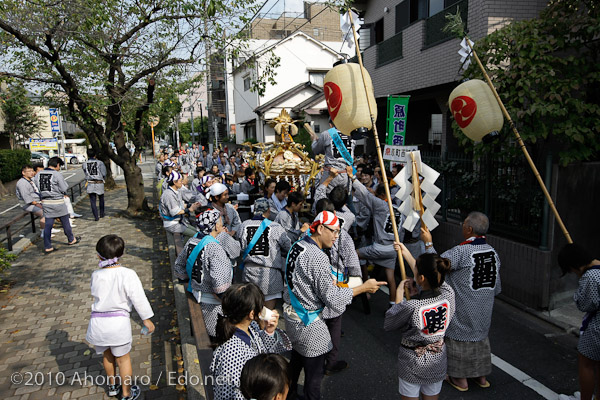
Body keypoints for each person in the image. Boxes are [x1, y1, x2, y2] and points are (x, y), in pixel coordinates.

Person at [284, 211, 386, 400]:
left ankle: (288, 395)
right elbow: (332, 298)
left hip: (292, 317)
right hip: (309, 323)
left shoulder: (298, 246)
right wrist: (363, 288)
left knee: (296, 362)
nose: (337, 236)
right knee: (314, 377)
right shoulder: (318, 256)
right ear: (321, 228)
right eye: (334, 231)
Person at [422, 212, 500, 391]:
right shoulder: (493, 253)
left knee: (458, 338)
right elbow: (497, 287)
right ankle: (481, 377)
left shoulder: (461, 251)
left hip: (463, 308)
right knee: (479, 338)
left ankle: (459, 378)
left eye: (463, 224)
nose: (462, 226)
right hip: (484, 309)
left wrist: (428, 243)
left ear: (469, 229)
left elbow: (436, 268)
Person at [85, 235, 154, 400]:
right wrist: (146, 318)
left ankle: (112, 387)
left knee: (107, 356)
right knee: (123, 360)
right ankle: (126, 393)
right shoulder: (128, 274)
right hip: (118, 324)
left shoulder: (96, 274)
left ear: (98, 255)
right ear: (122, 254)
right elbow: (138, 297)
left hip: (98, 323)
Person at [386, 241, 455, 400]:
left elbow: (391, 322)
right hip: (437, 360)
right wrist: (407, 254)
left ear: (421, 278)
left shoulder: (412, 306)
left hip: (411, 362)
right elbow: (432, 275)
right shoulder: (449, 295)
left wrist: (398, 295)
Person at [211, 283, 292, 400]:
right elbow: (228, 393)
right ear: (252, 314)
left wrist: (269, 331)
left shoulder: (250, 327)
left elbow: (266, 354)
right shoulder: (230, 353)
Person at [313, 199, 362, 376]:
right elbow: (353, 264)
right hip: (337, 285)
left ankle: (316, 362)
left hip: (314, 289)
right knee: (334, 324)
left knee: (317, 325)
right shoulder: (343, 235)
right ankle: (330, 363)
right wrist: (357, 285)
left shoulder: (308, 235)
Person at [174, 208, 239, 337]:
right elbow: (219, 284)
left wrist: (193, 281)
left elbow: (178, 267)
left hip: (196, 293)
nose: (222, 225)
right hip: (212, 300)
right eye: (220, 222)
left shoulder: (192, 241)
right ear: (216, 225)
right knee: (217, 335)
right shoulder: (214, 247)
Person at [348, 167, 404, 306]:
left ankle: (360, 288)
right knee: (391, 278)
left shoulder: (380, 205)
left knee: (354, 255)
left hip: (379, 246)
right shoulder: (399, 210)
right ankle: (393, 305)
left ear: (381, 196)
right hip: (393, 249)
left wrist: (353, 179)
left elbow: (366, 196)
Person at [557, 244, 600, 400]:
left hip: (597, 328)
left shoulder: (591, 277)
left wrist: (579, 291)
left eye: (570, 270)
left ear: (573, 265)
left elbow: (586, 304)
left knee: (587, 364)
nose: (572, 273)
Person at [237, 198, 291, 309]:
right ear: (268, 211)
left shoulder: (244, 226)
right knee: (268, 313)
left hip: (249, 272)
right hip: (270, 274)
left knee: (251, 310)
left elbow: (241, 248)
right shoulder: (275, 227)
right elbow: (287, 246)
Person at [34, 157, 80, 253]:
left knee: (48, 225)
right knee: (65, 222)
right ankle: (71, 239)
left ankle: (47, 246)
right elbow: (64, 187)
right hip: (58, 202)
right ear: (57, 165)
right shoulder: (56, 174)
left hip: (46, 203)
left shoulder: (38, 174)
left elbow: (37, 187)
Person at [158, 171, 201, 254]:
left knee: (196, 231)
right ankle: (183, 252)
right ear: (174, 182)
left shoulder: (176, 191)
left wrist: (190, 205)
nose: (182, 182)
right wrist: (190, 210)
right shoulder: (168, 195)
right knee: (194, 234)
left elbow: (181, 205)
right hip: (171, 224)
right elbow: (174, 212)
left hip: (178, 222)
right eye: (180, 181)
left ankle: (185, 249)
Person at [309, 119, 355, 195]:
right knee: (344, 199)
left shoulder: (326, 134)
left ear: (331, 125)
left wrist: (314, 140)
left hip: (331, 174)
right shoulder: (351, 135)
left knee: (327, 199)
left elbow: (316, 150)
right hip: (347, 174)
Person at [16, 165, 57, 238]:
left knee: (52, 206)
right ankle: (43, 232)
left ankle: (49, 228)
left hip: (37, 201)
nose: (31, 173)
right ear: (23, 173)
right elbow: (27, 198)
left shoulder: (31, 180)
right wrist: (38, 204)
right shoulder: (22, 183)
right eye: (29, 171)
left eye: (32, 171)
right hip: (28, 204)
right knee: (44, 213)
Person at [82, 149, 107, 221]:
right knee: (101, 199)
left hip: (90, 183)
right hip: (99, 182)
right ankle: (101, 214)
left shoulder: (84, 164)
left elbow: (85, 172)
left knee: (92, 200)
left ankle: (96, 216)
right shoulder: (100, 163)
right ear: (95, 155)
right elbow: (104, 173)